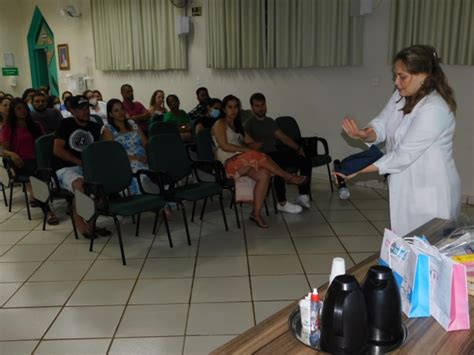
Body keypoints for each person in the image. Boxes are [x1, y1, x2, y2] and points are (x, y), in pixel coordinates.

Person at [338, 44, 461, 236]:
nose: (396, 82)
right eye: (396, 75)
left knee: (429, 250)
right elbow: (382, 124)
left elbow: (403, 154)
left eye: (402, 76)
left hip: (432, 190)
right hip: (406, 184)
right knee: (406, 243)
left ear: (423, 76)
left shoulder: (435, 108)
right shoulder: (401, 96)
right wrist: (365, 133)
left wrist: (357, 170)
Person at [212, 95, 306, 228]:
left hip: (241, 162)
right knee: (256, 156)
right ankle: (288, 177)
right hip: (226, 165)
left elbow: (250, 142)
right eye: (230, 107)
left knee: (264, 174)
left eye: (236, 107)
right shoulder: (219, 124)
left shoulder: (238, 125)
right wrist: (246, 149)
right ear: (224, 109)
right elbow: (224, 146)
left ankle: (256, 214)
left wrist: (255, 144)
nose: (233, 110)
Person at [244, 93, 313, 214]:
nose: (261, 108)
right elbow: (244, 144)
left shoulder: (270, 121)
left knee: (305, 160)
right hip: (261, 157)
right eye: (257, 106)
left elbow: (283, 137)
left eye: (263, 105)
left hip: (274, 152)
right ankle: (282, 203)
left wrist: (298, 148)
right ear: (252, 107)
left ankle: (303, 195)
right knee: (278, 168)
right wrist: (252, 145)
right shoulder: (248, 124)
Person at [53, 95, 109, 238]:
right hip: (67, 168)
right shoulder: (65, 124)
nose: (86, 111)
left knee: (99, 188)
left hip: (88, 168)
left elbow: (106, 141)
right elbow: (57, 150)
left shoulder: (95, 126)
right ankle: (82, 224)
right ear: (72, 110)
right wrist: (80, 163)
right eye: (81, 109)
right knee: (80, 186)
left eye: (87, 108)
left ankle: (90, 226)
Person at [1, 98, 58, 224]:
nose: (22, 111)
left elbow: (43, 144)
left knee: (56, 168)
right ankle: (47, 211)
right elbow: (3, 150)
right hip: (21, 162)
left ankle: (73, 205)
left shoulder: (35, 125)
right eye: (18, 109)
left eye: (24, 108)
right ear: (13, 111)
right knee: (36, 175)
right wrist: (14, 155)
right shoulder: (9, 127)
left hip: (37, 159)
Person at [102, 99, 148, 195]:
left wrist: (147, 155)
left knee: (158, 167)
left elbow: (145, 143)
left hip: (143, 158)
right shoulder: (108, 129)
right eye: (116, 110)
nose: (120, 112)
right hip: (126, 161)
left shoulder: (132, 124)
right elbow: (114, 153)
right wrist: (136, 158)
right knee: (139, 171)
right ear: (110, 114)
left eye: (122, 109)